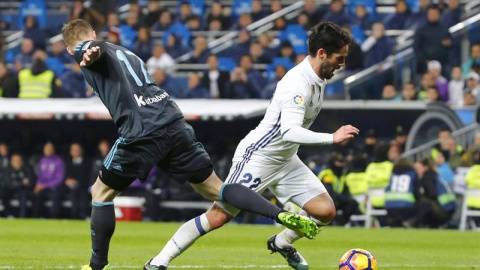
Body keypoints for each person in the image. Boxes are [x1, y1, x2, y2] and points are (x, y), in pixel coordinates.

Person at [62, 19, 318, 270]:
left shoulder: (90, 51)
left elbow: (94, 50)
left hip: (141, 131)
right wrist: (95, 47)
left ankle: (97, 266)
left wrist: (88, 51)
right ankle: (280, 214)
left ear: (68, 49)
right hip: (174, 123)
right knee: (217, 189)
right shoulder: (125, 51)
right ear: (94, 31)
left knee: (101, 193)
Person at [148, 22, 358, 270]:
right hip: (258, 157)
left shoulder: (319, 76)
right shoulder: (297, 85)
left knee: (325, 211)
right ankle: (158, 262)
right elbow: (288, 131)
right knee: (217, 216)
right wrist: (331, 138)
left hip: (286, 160)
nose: (342, 64)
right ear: (322, 53)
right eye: (339, 58)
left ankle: (281, 242)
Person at [384, 158, 421, 227]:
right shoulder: (412, 173)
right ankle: (410, 222)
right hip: (407, 207)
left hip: (390, 207)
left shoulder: (392, 174)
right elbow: (417, 193)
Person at [32, 142, 65, 218]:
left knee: (55, 196)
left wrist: (44, 185)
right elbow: (39, 176)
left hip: (54, 188)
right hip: (43, 188)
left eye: (50, 149)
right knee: (35, 195)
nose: (48, 151)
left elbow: (59, 179)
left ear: (53, 150)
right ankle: (36, 217)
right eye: (46, 149)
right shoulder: (42, 161)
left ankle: (53, 217)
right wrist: (38, 185)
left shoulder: (59, 162)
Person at [64, 142, 90, 219]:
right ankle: (73, 216)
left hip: (83, 186)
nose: (75, 151)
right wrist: (67, 181)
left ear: (81, 151)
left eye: (77, 149)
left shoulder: (87, 163)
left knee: (82, 194)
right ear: (70, 151)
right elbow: (64, 176)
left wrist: (77, 182)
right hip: (68, 188)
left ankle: (84, 216)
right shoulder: (67, 162)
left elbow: (88, 177)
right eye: (73, 149)